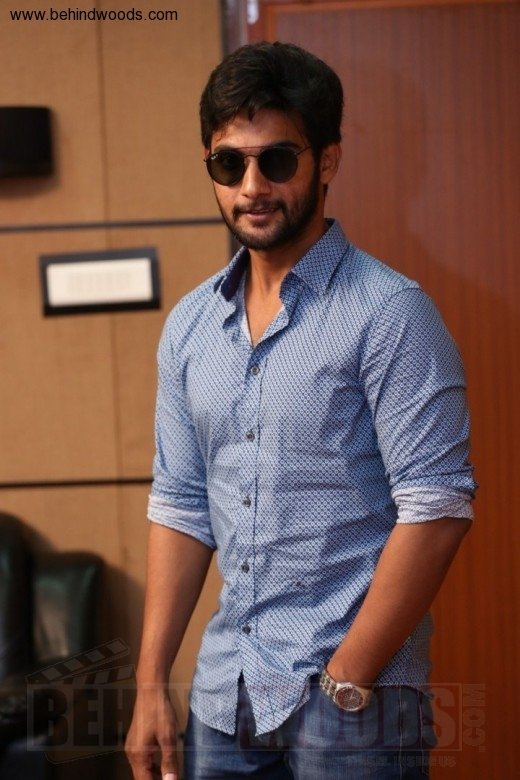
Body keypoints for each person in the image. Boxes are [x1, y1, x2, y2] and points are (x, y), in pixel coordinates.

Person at [125, 41, 476, 780]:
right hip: (224, 696)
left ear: (327, 161)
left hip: (353, 701)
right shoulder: (190, 327)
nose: (252, 186)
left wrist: (348, 680)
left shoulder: (390, 313)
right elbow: (181, 507)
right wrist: (151, 684)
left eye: (277, 160)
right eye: (229, 164)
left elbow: (437, 509)